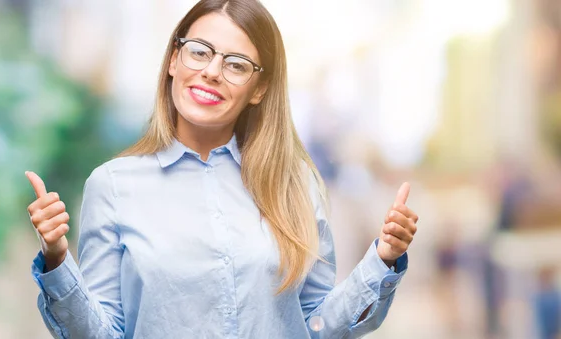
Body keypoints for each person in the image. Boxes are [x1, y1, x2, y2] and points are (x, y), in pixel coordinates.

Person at [25, 0, 419, 338]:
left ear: (258, 89)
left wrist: (382, 259)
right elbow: (100, 333)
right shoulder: (112, 186)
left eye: (237, 64)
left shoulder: (294, 182)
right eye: (199, 51)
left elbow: (317, 325)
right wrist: (58, 258)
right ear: (174, 62)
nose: (212, 71)